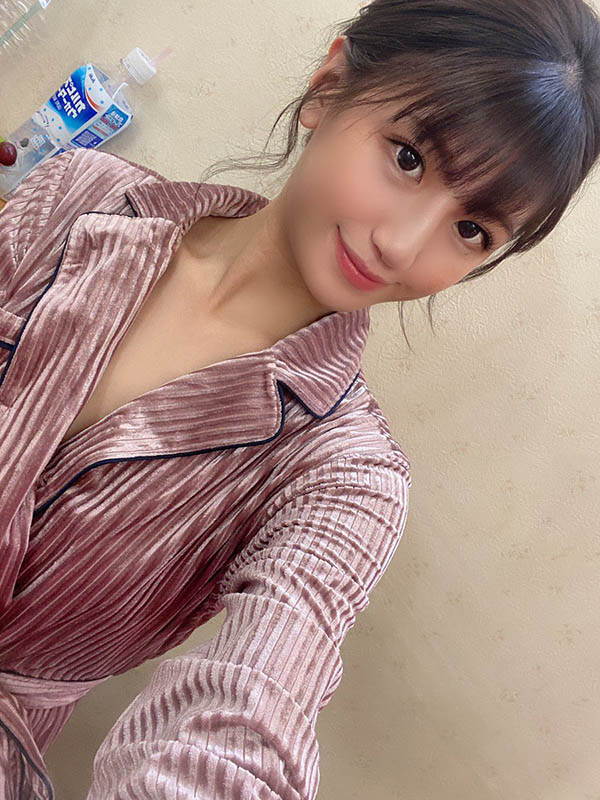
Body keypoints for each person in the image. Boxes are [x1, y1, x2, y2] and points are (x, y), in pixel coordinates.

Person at [0, 0, 599, 797]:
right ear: (327, 88)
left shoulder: (347, 480)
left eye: (472, 231)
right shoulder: (81, 194)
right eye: (409, 158)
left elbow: (254, 710)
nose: (401, 244)